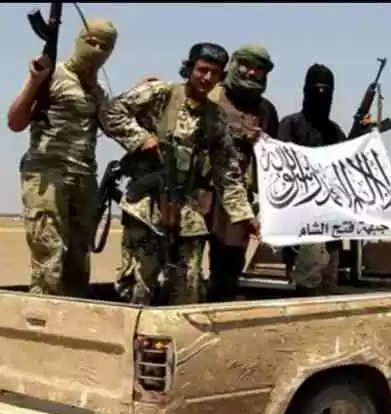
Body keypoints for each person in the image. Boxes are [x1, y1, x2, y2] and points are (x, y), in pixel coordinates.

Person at [100, 42, 260, 306]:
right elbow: (110, 112)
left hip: (187, 208)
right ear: (190, 68)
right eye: (202, 70)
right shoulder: (161, 93)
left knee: (188, 286)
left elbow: (227, 173)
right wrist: (139, 138)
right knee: (139, 285)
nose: (207, 78)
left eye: (215, 73)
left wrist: (244, 216)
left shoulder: (215, 118)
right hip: (147, 206)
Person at [7, 18, 118, 297]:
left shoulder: (98, 89)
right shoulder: (52, 75)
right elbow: (15, 122)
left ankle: (73, 313)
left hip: (84, 177)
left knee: (78, 258)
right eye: (91, 42)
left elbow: (113, 125)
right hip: (47, 174)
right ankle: (43, 314)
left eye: (104, 46)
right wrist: (35, 82)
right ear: (79, 40)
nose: (96, 50)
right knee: (49, 254)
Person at [205, 44, 279, 302]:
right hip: (199, 195)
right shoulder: (210, 96)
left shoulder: (266, 110)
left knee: (228, 267)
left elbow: (275, 158)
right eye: (246, 65)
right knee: (184, 265)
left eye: (259, 69)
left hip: (238, 202)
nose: (251, 72)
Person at [276, 63, 350, 296]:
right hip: (298, 223)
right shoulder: (290, 125)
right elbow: (279, 170)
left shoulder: (335, 131)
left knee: (327, 288)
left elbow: (347, 170)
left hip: (330, 226)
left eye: (325, 91)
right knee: (305, 289)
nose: (320, 96)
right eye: (315, 90)